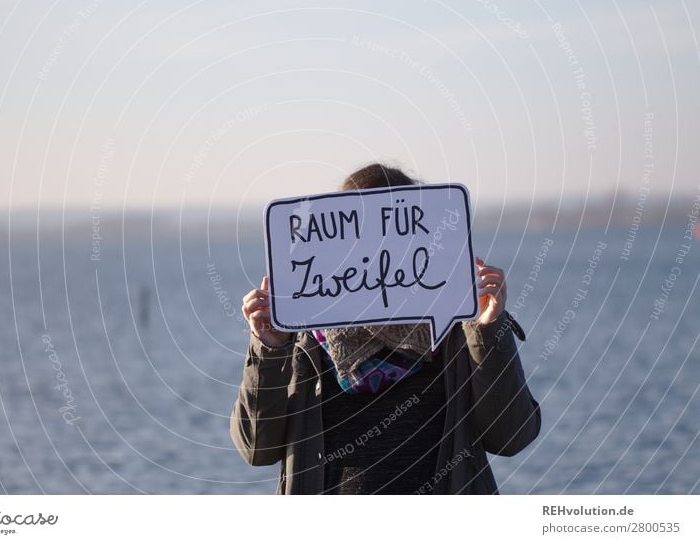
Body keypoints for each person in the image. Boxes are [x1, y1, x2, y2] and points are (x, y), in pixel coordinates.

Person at [230, 163, 541, 494]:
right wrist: (269, 349)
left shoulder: (456, 328)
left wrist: (488, 330)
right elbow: (256, 449)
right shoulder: (305, 332)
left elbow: (512, 436)